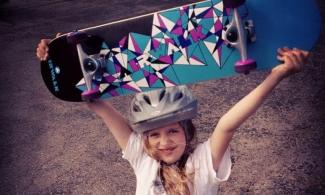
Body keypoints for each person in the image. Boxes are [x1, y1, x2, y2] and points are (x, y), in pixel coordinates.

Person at [36, 37, 309, 195]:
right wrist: (62, 53)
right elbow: (95, 103)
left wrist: (276, 76)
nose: (163, 141)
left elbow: (227, 124)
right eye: (153, 134)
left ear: (187, 132)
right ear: (145, 138)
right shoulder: (142, 158)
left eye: (173, 131)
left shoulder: (202, 163)